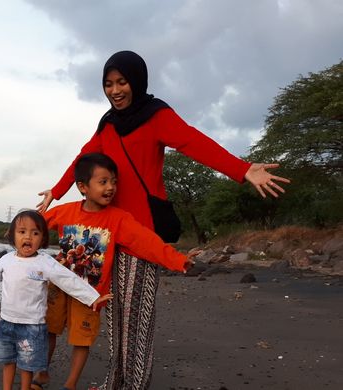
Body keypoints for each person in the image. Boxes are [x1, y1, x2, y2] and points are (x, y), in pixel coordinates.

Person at [36, 50, 290, 389]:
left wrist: (242, 170)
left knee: (137, 319)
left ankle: (135, 384)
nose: (115, 90)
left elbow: (194, 142)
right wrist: (57, 190)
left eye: (122, 82)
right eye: (108, 84)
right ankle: (117, 381)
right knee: (114, 317)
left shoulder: (156, 116)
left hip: (142, 233)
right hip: (107, 233)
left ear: (137, 81)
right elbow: (83, 159)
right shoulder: (108, 124)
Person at [38, 152, 199, 390]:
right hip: (58, 286)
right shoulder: (65, 212)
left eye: (113, 181)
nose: (111, 187)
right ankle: (42, 373)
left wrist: (179, 260)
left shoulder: (119, 219)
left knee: (82, 340)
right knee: (48, 330)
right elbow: (35, 224)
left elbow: (148, 242)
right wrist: (17, 234)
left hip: (90, 293)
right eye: (103, 182)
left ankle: (70, 384)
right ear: (83, 187)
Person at [0, 210, 113, 390]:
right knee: (8, 361)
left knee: (27, 365)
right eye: (22, 232)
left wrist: (92, 297)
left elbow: (67, 279)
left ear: (42, 238)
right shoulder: (5, 260)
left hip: (32, 326)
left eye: (35, 233)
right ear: (12, 236)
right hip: (6, 322)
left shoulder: (44, 262)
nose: (28, 237)